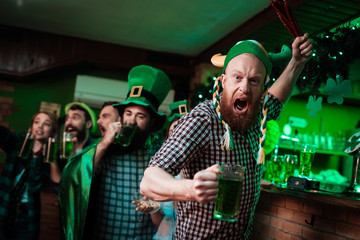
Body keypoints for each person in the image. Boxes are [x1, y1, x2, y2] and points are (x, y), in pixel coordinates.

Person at [140, 34, 313, 239]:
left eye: (254, 80)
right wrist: (191, 189)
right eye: (237, 77)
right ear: (223, 81)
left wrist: (296, 62)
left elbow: (278, 96)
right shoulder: (202, 120)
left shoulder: (258, 113)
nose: (244, 88)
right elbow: (149, 181)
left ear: (262, 88)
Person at [59, 65, 172, 240]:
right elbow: (74, 175)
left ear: (152, 122)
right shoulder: (105, 146)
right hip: (107, 234)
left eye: (140, 116)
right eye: (128, 113)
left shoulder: (161, 149)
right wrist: (105, 143)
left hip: (145, 236)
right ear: (121, 116)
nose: (132, 121)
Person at [0, 111, 58, 240]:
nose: (40, 126)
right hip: (4, 208)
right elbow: (4, 137)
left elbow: (35, 185)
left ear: (52, 132)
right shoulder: (19, 141)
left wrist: (37, 157)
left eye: (46, 124)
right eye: (36, 122)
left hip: (27, 215)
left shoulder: (50, 157)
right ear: (31, 127)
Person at [151, 100, 189, 240]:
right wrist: (152, 208)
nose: (176, 137)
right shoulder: (161, 170)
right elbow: (159, 221)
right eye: (173, 132)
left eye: (183, 131)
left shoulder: (199, 171)